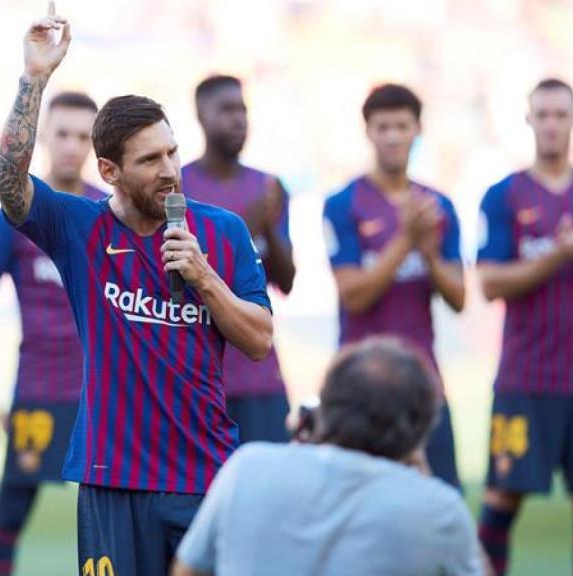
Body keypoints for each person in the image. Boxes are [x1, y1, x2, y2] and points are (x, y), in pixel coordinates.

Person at [0, 4, 274, 575]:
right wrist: (35, 77)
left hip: (204, 474)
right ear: (110, 170)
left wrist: (205, 277)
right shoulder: (79, 228)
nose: (170, 169)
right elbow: (5, 181)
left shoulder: (221, 231)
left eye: (172, 151)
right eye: (150, 160)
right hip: (111, 478)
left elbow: (259, 339)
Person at [172, 338, 485, 576]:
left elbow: (186, 570)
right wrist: (421, 469)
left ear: (327, 405)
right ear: (417, 434)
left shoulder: (246, 469)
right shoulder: (438, 510)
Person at [475, 78, 573, 576]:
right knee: (501, 498)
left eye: (560, 115)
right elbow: (489, 283)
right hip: (524, 380)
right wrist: (558, 253)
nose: (552, 124)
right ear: (529, 121)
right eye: (543, 115)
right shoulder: (504, 196)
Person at [0, 91, 105, 576]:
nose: (71, 146)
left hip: (100, 393)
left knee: (107, 516)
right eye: (63, 133)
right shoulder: (14, 215)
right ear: (45, 134)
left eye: (83, 137)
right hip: (38, 390)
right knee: (11, 510)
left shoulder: (109, 211)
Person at [321, 83, 464, 488]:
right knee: (354, 507)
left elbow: (459, 298)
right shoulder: (343, 204)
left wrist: (431, 253)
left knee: (438, 500)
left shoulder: (439, 206)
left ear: (418, 129)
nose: (393, 137)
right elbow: (354, 295)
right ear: (368, 131)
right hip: (358, 387)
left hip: (423, 383)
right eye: (383, 127)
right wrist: (406, 240)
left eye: (402, 126)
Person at [182, 74, 295, 443]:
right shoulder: (178, 187)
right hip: (199, 374)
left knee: (273, 494)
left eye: (243, 110)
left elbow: (287, 282)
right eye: (227, 109)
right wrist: (245, 229)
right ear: (202, 114)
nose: (238, 119)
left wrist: (270, 231)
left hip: (259, 372)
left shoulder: (269, 187)